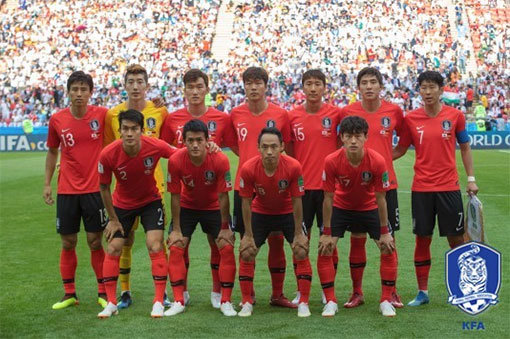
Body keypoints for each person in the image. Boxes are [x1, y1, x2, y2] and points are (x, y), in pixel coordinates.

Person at [393, 70, 479, 306]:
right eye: (423, 87)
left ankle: (462, 290)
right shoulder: (411, 119)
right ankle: (422, 292)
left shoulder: (456, 116)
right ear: (419, 90)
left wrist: (470, 178)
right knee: (422, 239)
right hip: (421, 188)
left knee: (456, 239)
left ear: (441, 90)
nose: (428, 92)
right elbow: (399, 150)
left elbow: (465, 147)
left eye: (432, 87)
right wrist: (374, 158)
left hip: (448, 187)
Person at [160, 69, 237, 309]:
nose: (194, 91)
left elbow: (239, 148)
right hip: (186, 197)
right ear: (184, 90)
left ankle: (218, 293)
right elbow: (163, 147)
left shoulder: (222, 118)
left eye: (199, 86)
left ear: (206, 88)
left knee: (220, 244)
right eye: (190, 87)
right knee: (179, 244)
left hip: (213, 198)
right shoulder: (172, 119)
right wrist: (186, 154)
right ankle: (180, 295)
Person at [97, 109, 175, 318]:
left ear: (142, 130)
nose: (129, 133)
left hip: (150, 201)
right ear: (120, 131)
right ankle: (111, 302)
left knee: (155, 244)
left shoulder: (154, 145)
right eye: (125, 129)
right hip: (122, 204)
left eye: (134, 129)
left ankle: (158, 300)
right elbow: (103, 187)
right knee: (114, 246)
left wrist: (209, 147)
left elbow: (179, 155)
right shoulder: (108, 154)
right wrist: (113, 219)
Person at [103, 64, 170, 309]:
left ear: (146, 85)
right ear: (125, 85)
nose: (135, 86)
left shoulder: (160, 111)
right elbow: (108, 151)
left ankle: (162, 294)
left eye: (139, 81)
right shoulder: (113, 115)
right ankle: (125, 292)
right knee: (126, 240)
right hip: (125, 192)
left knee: (157, 241)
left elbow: (170, 145)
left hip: (155, 186)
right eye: (130, 81)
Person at [319, 116, 397, 317]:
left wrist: (385, 232)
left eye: (357, 136)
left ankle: (386, 299)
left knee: (388, 247)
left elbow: (381, 199)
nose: (353, 141)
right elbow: (328, 198)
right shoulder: (331, 160)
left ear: (365, 137)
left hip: (369, 207)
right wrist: (326, 232)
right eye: (348, 136)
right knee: (325, 247)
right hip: (341, 208)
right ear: (341, 138)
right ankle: (330, 301)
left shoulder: (377, 161)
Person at [230, 66, 294, 308]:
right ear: (244, 86)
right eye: (249, 83)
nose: (254, 87)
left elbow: (284, 146)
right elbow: (234, 145)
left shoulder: (280, 114)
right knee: (246, 242)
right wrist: (250, 163)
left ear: (266, 86)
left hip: (274, 185)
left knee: (277, 239)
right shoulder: (235, 114)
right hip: (244, 186)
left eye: (258, 83)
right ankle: (249, 295)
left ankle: (277, 294)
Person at [44, 71, 108, 310]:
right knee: (68, 241)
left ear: (91, 93)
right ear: (68, 92)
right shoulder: (57, 119)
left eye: (84, 89)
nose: (79, 94)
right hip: (67, 191)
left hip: (94, 190)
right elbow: (52, 152)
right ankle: (69, 293)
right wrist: (47, 183)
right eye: (75, 89)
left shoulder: (102, 115)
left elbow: (130, 117)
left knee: (94, 241)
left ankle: (103, 291)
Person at [340, 67, 403, 308]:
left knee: (388, 239)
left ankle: (392, 291)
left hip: (387, 186)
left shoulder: (394, 110)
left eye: (373, 82)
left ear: (380, 86)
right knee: (357, 238)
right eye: (364, 82)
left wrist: (384, 160)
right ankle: (357, 292)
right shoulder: (348, 112)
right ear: (358, 87)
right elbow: (342, 143)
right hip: (357, 186)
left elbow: (404, 142)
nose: (368, 86)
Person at [237, 127, 312, 317]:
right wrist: (248, 235)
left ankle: (303, 301)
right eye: (265, 147)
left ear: (282, 147)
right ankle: (246, 301)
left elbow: (297, 200)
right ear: (258, 148)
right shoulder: (248, 168)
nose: (269, 151)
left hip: (287, 212)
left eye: (273, 146)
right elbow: (245, 202)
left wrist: (298, 233)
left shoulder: (293, 166)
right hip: (261, 212)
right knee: (246, 251)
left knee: (301, 249)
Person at [287, 69, 343, 305]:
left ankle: (326, 289)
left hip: (329, 190)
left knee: (329, 240)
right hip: (301, 191)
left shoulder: (336, 114)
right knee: (300, 240)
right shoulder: (292, 116)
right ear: (302, 87)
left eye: (317, 84)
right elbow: (289, 150)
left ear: (324, 88)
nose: (312, 88)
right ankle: (302, 289)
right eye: (308, 84)